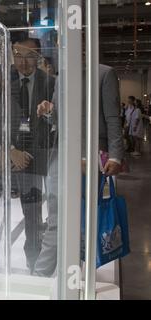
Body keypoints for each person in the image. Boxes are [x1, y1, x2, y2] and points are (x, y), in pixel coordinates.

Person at [34, 64, 125, 277]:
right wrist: (49, 111)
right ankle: (44, 274)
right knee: (56, 218)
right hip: (61, 155)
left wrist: (115, 156)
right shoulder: (62, 75)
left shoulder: (104, 73)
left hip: (91, 156)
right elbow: (58, 120)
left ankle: (76, 273)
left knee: (84, 219)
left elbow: (112, 118)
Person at [10, 37, 55, 273]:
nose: (23, 61)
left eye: (29, 56)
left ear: (38, 58)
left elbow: (55, 124)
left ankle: (35, 259)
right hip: (8, 157)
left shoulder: (51, 83)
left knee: (35, 211)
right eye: (18, 55)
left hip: (41, 156)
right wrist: (9, 150)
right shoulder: (3, 81)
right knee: (24, 209)